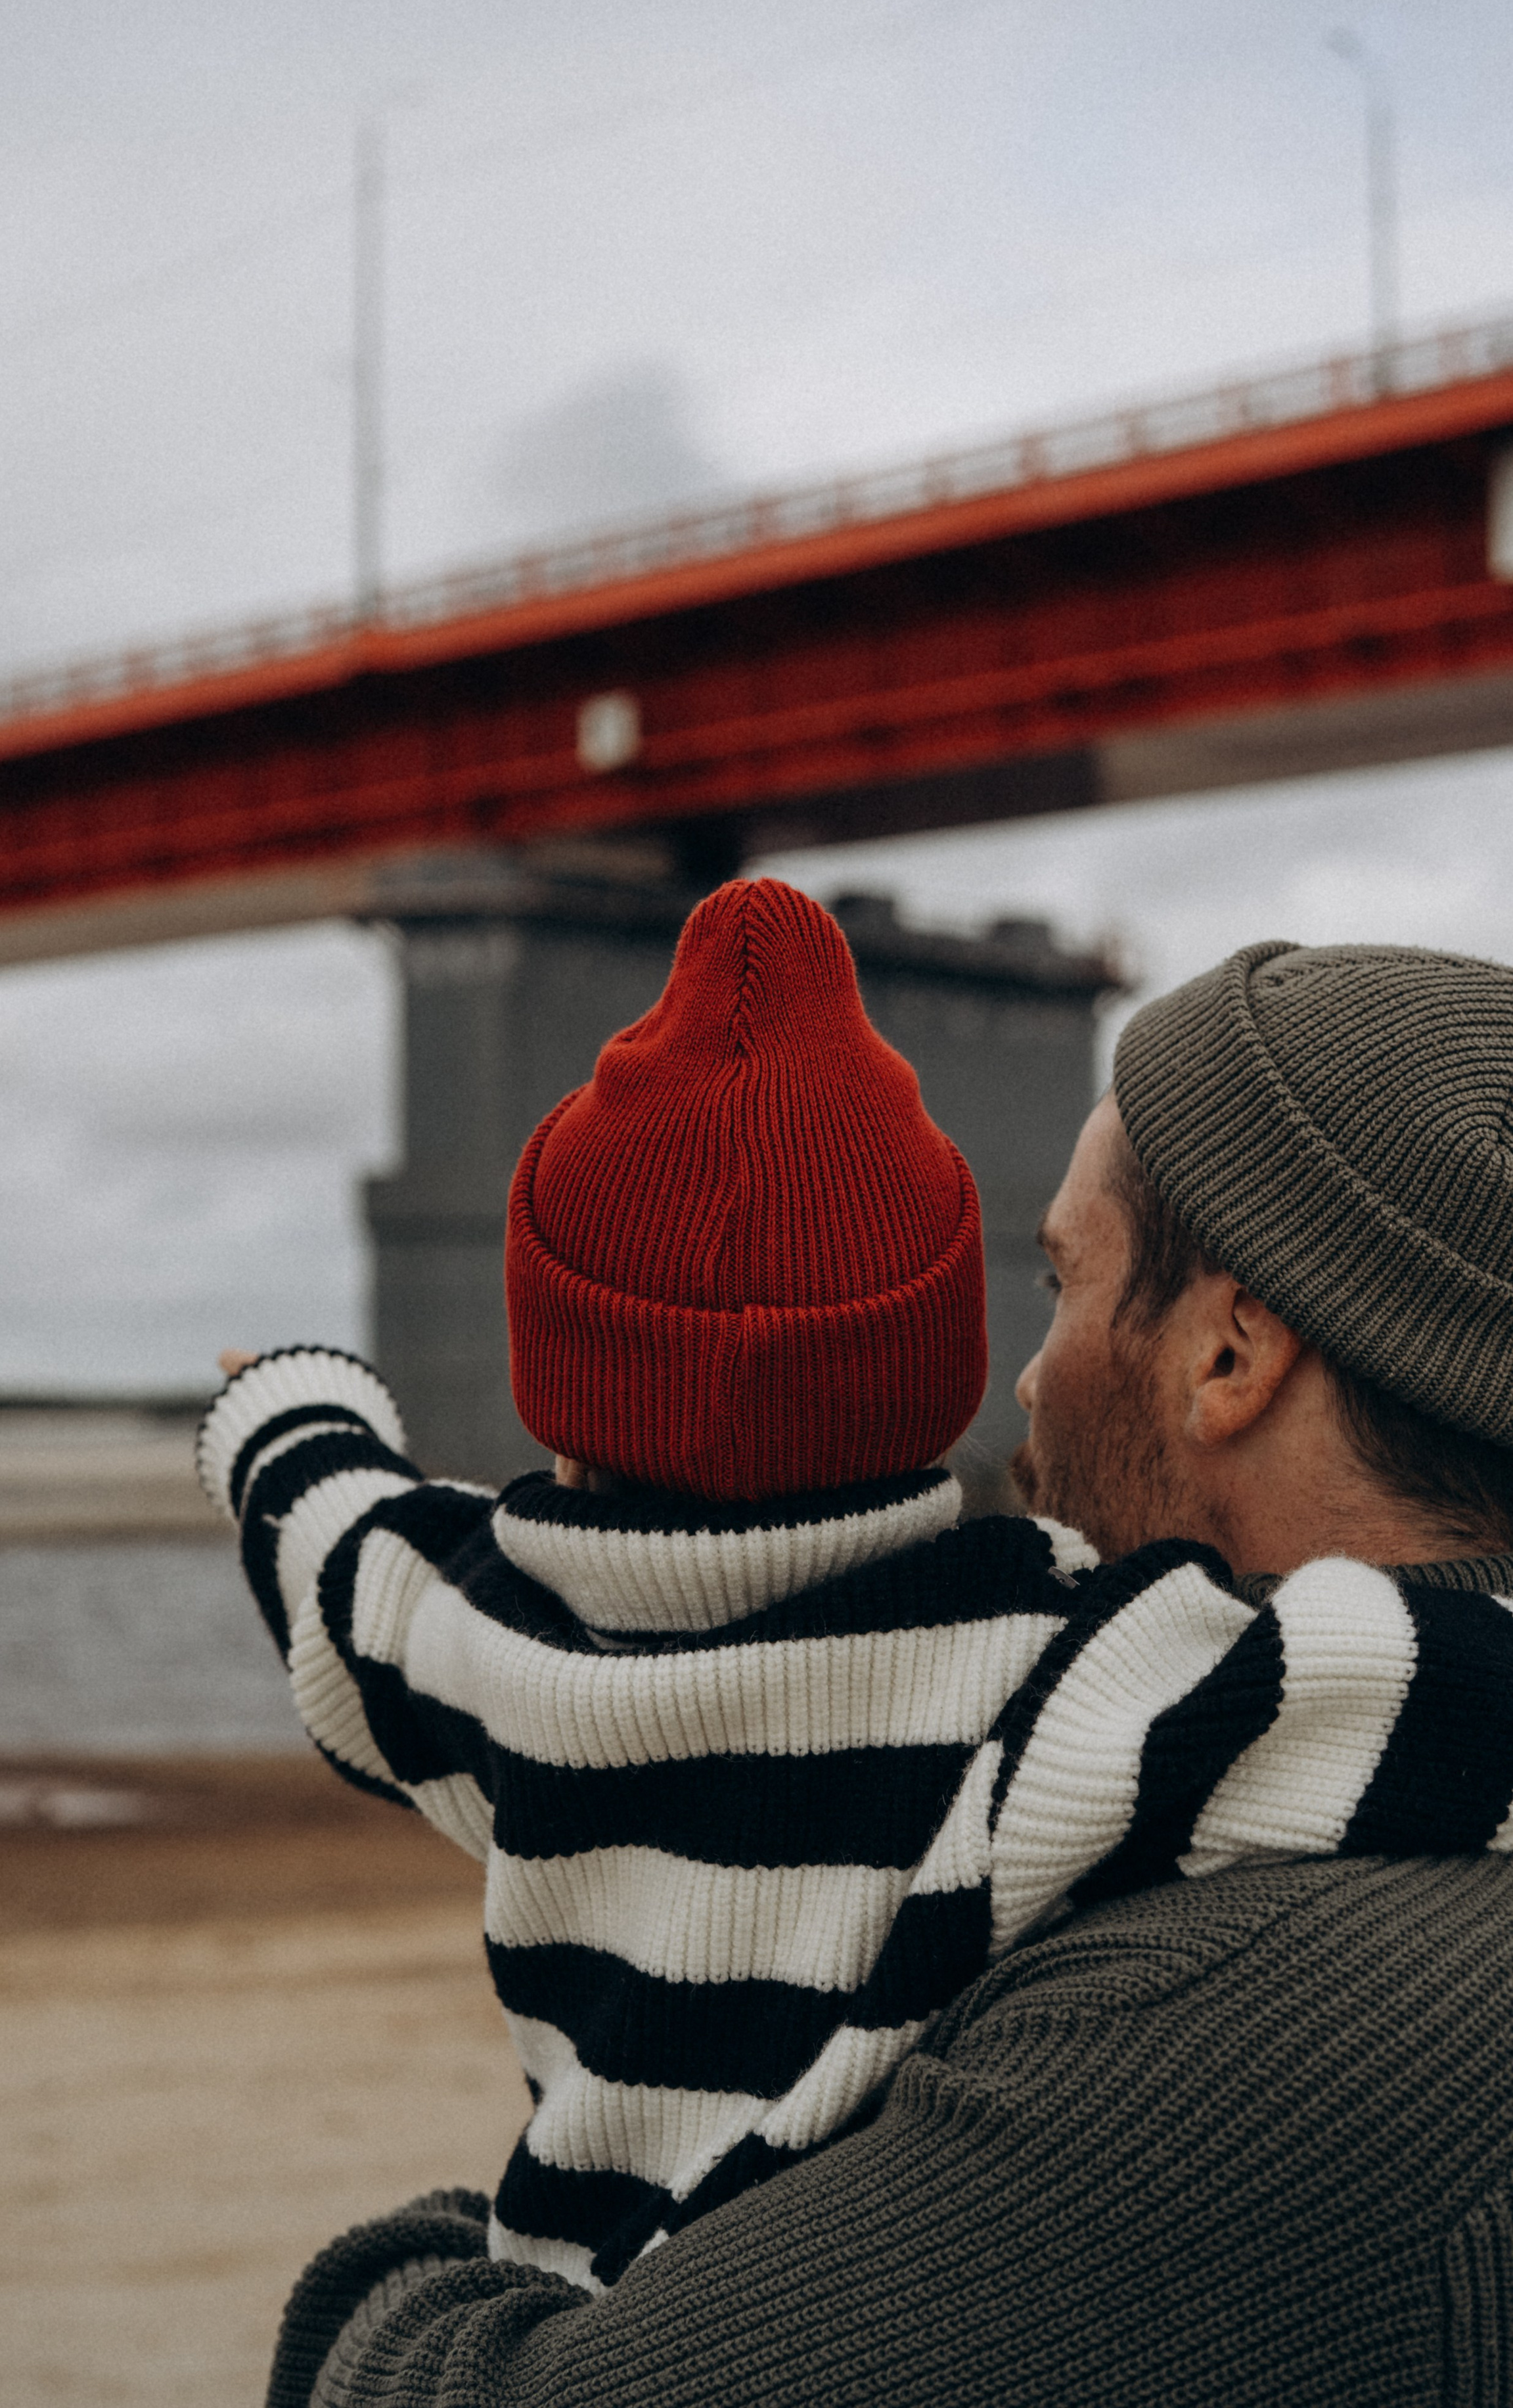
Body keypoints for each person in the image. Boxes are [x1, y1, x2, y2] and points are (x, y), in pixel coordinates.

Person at [250, 936, 1513, 2408]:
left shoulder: (1222, 2026)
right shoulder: (1209, 1740)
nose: (1028, 1382)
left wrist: (443, 2261)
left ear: (1227, 1355)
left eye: (1061, 1280)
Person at [200, 876, 1099, 2298]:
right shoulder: (1077, 1657)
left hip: (582, 2319)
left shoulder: (487, 1646)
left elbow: (323, 1526)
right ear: (932, 1383)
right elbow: (1394, 1689)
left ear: (563, 1394)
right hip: (895, 2321)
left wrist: (282, 1398)